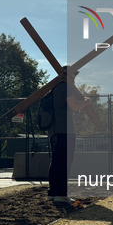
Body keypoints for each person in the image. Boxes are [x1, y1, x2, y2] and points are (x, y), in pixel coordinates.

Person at [48, 66, 91, 204]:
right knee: (65, 161)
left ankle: (53, 193)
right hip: (65, 131)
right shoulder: (65, 88)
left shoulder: (54, 89)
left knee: (56, 161)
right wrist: (87, 101)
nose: (75, 77)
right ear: (68, 75)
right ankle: (61, 194)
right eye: (73, 75)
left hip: (54, 131)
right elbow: (75, 106)